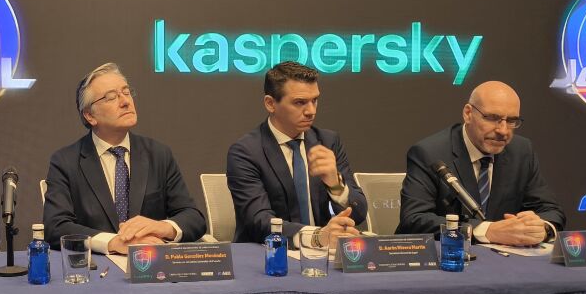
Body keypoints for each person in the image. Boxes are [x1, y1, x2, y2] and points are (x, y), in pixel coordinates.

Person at [44, 63, 205, 255]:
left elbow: (193, 218)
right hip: (97, 266)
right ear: (89, 116)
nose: (125, 101)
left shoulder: (158, 154)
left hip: (151, 262)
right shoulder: (66, 161)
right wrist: (112, 242)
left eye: (126, 92)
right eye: (111, 97)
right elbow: (56, 227)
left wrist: (162, 227)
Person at [397, 81, 565, 244]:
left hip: (507, 259)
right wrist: (486, 230)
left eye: (511, 121)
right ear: (468, 114)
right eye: (492, 118)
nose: (503, 131)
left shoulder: (521, 151)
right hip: (450, 256)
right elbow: (414, 220)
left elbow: (551, 211)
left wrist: (541, 228)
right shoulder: (429, 153)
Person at [226, 61, 366, 246]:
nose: (311, 111)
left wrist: (335, 185)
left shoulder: (328, 141)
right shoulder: (246, 152)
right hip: (269, 253)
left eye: (314, 100)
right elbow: (259, 221)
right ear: (270, 104)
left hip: (325, 254)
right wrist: (317, 237)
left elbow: (359, 214)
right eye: (300, 102)